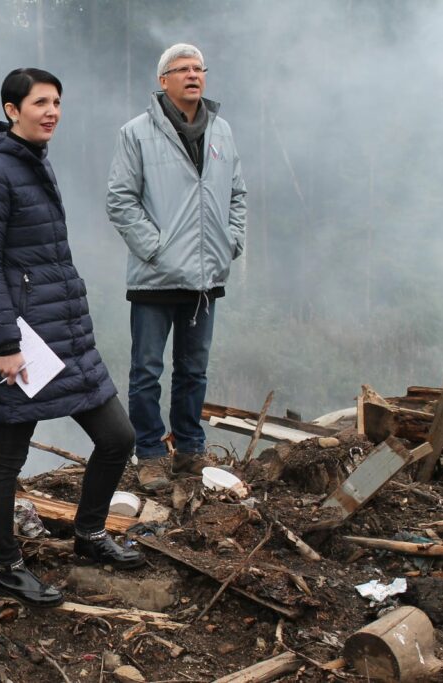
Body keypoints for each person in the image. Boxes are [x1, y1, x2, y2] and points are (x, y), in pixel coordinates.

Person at [0, 68, 145, 609]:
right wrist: (2, 343)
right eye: (40, 102)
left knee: (117, 438)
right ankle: (5, 566)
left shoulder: (31, 164)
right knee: (4, 461)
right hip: (23, 342)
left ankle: (89, 536)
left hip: (65, 334)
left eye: (58, 102)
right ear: (11, 109)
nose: (52, 112)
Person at [106, 44, 248, 492]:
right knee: (146, 370)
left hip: (206, 277)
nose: (193, 75)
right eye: (181, 69)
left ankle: (189, 450)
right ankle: (149, 454)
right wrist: (156, 248)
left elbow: (237, 196)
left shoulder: (222, 131)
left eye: (198, 68)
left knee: (194, 370)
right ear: (162, 81)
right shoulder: (137, 133)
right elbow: (120, 199)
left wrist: (232, 242)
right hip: (155, 277)